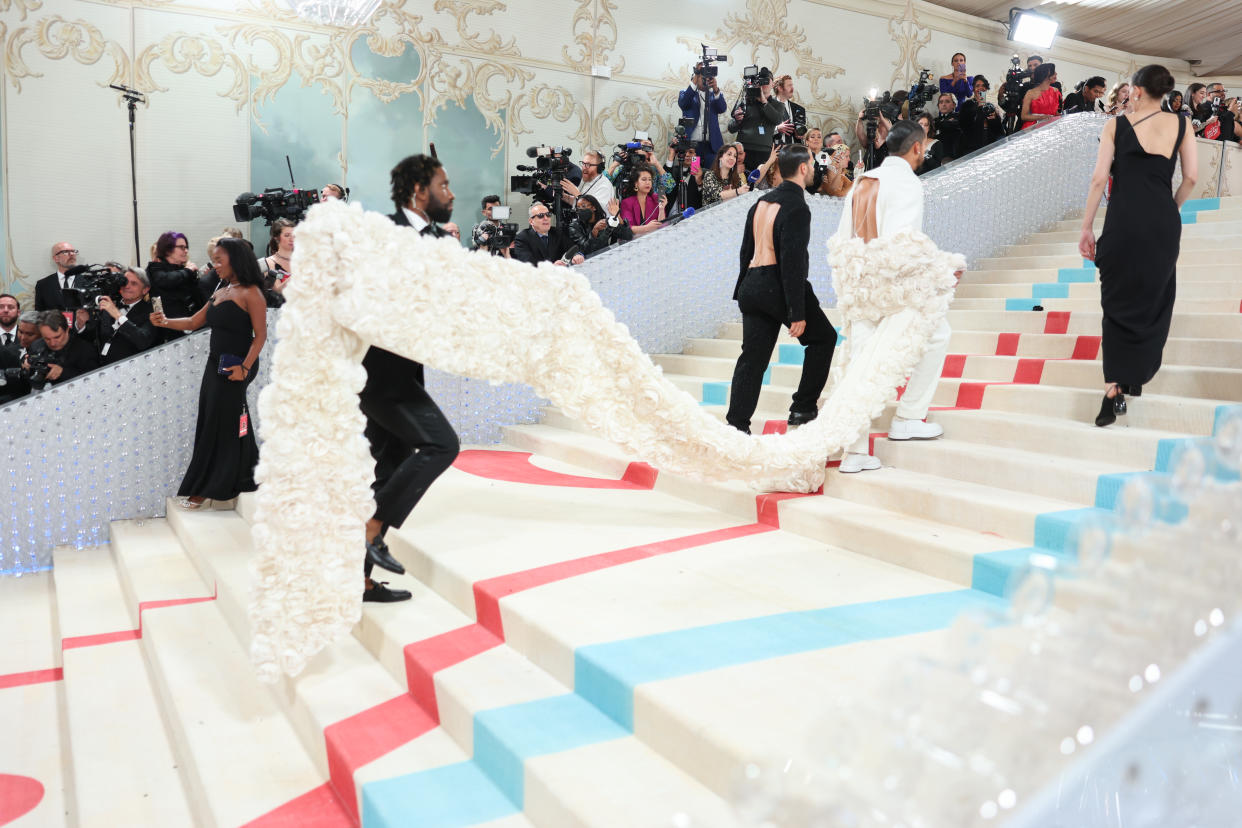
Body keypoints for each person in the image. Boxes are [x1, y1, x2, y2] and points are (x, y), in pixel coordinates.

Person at [355, 154, 463, 603]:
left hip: (408, 372)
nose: (452, 193)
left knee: (390, 470)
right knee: (443, 444)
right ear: (420, 191)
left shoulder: (439, 239)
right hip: (379, 375)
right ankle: (375, 525)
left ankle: (356, 578)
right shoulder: (381, 233)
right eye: (444, 184)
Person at [834, 121, 956, 473]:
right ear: (917, 148)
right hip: (891, 285)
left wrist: (850, 286)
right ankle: (909, 418)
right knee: (939, 333)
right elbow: (902, 242)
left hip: (859, 283)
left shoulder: (862, 179)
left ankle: (855, 451)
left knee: (860, 363)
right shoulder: (907, 182)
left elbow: (842, 240)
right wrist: (939, 269)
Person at [1079, 65, 1197, 428]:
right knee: (1153, 298)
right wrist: (1169, 211)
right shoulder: (1182, 124)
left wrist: (1086, 227)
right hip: (1162, 221)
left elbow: (1100, 179)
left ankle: (1113, 386)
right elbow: (1191, 178)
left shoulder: (1115, 124)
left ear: (1137, 91)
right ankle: (1135, 376)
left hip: (1123, 220)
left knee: (1115, 301)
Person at [725, 145, 838, 434]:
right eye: (811, 164)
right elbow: (792, 262)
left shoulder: (760, 202)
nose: (813, 168)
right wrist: (797, 311)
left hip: (752, 284)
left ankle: (736, 426)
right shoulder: (797, 207)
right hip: (777, 284)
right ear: (803, 168)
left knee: (752, 359)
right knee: (824, 338)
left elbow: (744, 252)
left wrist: (742, 290)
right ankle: (802, 407)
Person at [152, 237, 266, 508]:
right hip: (216, 364)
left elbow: (260, 336)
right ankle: (251, 476)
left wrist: (245, 367)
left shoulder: (252, 293)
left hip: (237, 364)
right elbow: (194, 322)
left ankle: (209, 487)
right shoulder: (222, 289)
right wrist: (165, 321)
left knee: (221, 422)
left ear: (235, 261)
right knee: (223, 419)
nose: (214, 265)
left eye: (219, 260)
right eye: (214, 260)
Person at [147, 231, 201, 341]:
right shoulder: (155, 268)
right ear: (167, 250)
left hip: (192, 327)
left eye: (186, 247)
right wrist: (188, 271)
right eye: (181, 247)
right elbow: (166, 280)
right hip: (169, 332)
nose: (186, 251)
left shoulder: (184, 270)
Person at [97, 267, 156, 365]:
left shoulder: (152, 312)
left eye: (134, 283)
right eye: (125, 282)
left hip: (133, 368)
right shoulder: (109, 305)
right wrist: (82, 324)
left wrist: (118, 316)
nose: (127, 286)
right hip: (102, 368)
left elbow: (143, 341)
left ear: (145, 289)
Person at [730, 71, 785, 174]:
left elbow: (777, 120)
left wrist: (764, 101)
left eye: (766, 81)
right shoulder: (746, 101)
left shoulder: (778, 105)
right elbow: (731, 128)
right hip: (743, 149)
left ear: (773, 84)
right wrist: (737, 121)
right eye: (760, 81)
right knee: (739, 181)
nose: (763, 84)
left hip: (764, 150)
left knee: (759, 182)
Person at [26, 311, 100, 385]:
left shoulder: (85, 350)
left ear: (67, 330)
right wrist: (27, 368)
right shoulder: (36, 346)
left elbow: (95, 380)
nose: (52, 343)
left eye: (57, 337)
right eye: (47, 339)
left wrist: (64, 373)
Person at [678, 63, 729, 167]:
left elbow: (722, 108)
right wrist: (696, 76)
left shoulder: (714, 95)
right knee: (695, 174)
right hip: (693, 146)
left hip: (711, 146)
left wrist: (715, 88)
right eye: (702, 76)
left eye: (708, 77)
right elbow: (683, 103)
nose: (706, 79)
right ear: (696, 78)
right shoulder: (686, 93)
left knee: (711, 175)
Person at [511, 203, 583, 265]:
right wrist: (551, 267)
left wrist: (577, 255)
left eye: (548, 214)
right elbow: (527, 264)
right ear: (531, 221)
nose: (546, 218)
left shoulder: (557, 232)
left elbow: (572, 248)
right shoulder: (522, 238)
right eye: (541, 215)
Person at [566, 195, 632, 257]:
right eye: (578, 208)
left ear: (594, 207)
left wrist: (618, 217)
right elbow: (586, 250)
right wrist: (594, 231)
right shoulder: (574, 226)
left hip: (606, 257)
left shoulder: (605, 222)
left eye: (583, 206)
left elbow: (628, 236)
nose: (580, 210)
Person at [957, 75, 1004, 155]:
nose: (980, 88)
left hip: (990, 144)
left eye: (983, 86)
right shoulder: (967, 105)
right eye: (977, 86)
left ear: (986, 89)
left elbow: (999, 130)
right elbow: (964, 125)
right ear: (973, 88)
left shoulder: (990, 106)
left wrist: (995, 118)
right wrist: (979, 107)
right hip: (972, 145)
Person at [618, 167, 667, 236]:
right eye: (644, 180)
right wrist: (646, 228)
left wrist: (662, 209)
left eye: (650, 180)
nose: (648, 182)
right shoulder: (627, 203)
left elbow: (661, 226)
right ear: (636, 184)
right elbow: (628, 228)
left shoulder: (655, 198)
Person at [35, 242, 81, 311]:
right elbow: (39, 315)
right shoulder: (43, 285)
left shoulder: (88, 282)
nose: (72, 254)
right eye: (66, 252)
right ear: (56, 258)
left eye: (73, 251)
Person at [258, 219, 294, 306]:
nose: (292, 239)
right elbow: (276, 290)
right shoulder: (264, 263)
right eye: (287, 235)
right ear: (276, 238)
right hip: (277, 313)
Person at [1021, 63, 1062, 129]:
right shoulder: (1030, 93)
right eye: (1053, 72)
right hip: (1033, 128)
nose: (1056, 73)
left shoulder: (1055, 91)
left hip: (1051, 127)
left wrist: (1065, 116)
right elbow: (1024, 116)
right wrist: (1041, 117)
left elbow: (1055, 112)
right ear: (1046, 74)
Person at [771, 75, 807, 147]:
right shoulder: (768, 106)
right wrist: (777, 129)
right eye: (789, 86)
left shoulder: (800, 109)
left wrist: (800, 134)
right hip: (774, 150)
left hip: (794, 151)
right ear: (780, 88)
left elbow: (802, 133)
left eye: (792, 85)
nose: (792, 88)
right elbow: (761, 130)